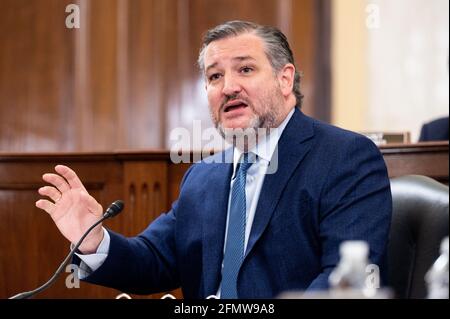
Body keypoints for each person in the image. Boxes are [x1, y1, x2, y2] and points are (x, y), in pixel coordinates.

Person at [36, 21, 392, 299]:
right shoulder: (203, 177)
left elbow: (342, 281)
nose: (228, 87)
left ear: (286, 79)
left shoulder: (346, 158)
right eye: (215, 76)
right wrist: (94, 240)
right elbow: (153, 261)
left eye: (246, 70)